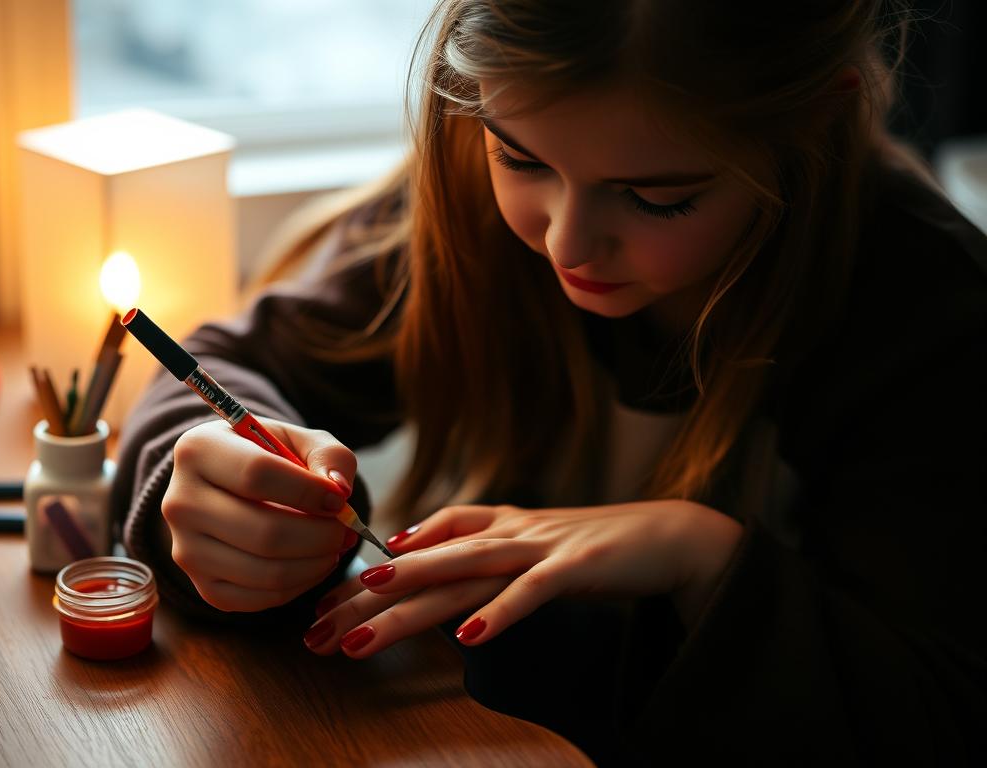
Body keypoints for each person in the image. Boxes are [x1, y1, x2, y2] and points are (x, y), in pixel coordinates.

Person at [111, 1, 987, 763]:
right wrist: (208, 475)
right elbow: (235, 364)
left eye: (658, 198)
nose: (567, 244)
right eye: (520, 159)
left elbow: (931, 724)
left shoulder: (928, 317)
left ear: (815, 125)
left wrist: (701, 558)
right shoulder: (462, 207)